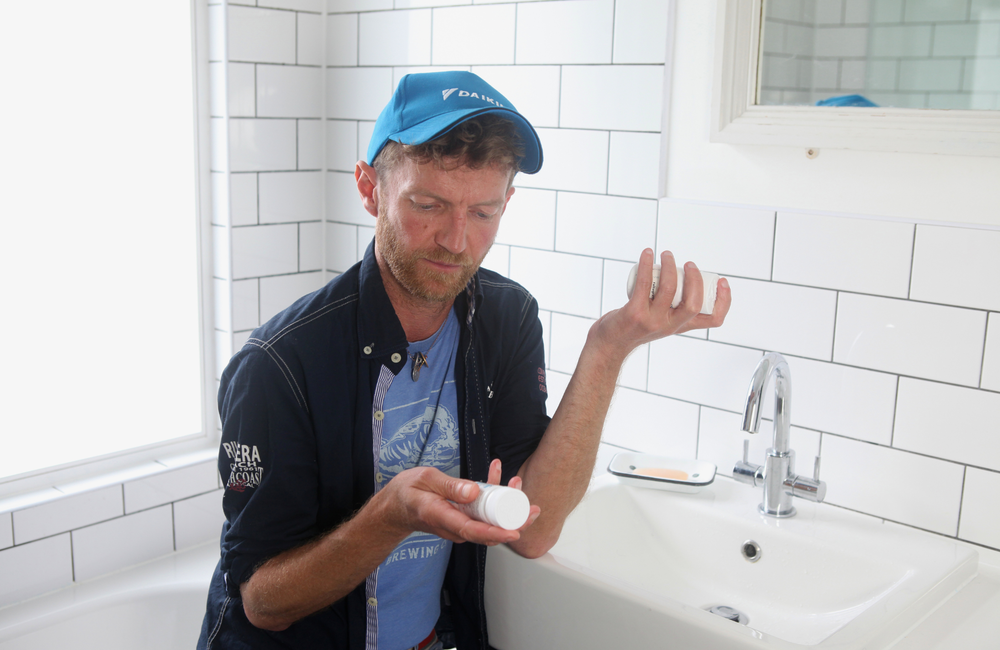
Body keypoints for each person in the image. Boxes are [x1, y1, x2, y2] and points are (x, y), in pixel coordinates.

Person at [197, 71, 730, 650]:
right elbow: (263, 601)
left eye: (484, 212)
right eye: (428, 205)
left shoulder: (505, 319)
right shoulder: (280, 365)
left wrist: (609, 348)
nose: (457, 240)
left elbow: (534, 530)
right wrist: (388, 518)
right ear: (370, 188)